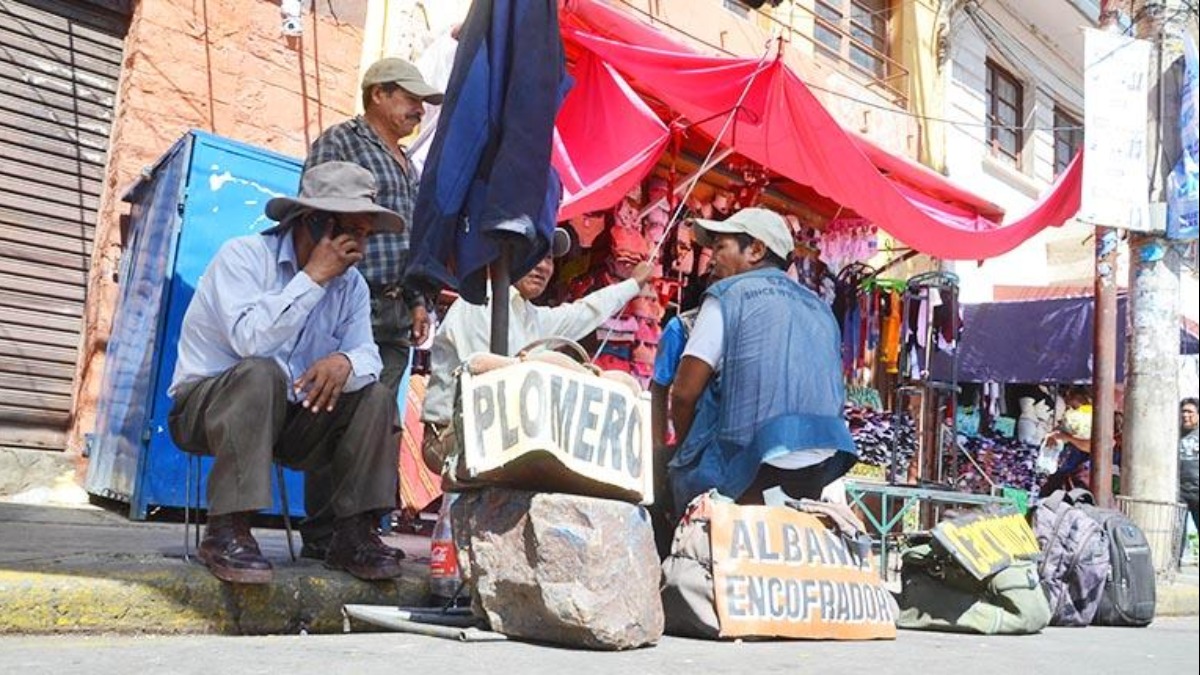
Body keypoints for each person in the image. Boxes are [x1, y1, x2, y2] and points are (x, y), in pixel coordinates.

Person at [168, 161, 404, 584]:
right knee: (260, 372)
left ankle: (351, 533)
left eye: (366, 236)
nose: (361, 251)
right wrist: (313, 277)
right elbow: (251, 341)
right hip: (205, 412)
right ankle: (227, 530)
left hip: (292, 419)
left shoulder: (351, 285)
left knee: (376, 395)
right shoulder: (242, 257)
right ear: (314, 222)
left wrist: (345, 362)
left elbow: (368, 354)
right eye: (354, 234)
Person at [301, 57, 443, 559]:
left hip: (395, 309)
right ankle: (322, 532)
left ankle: (361, 528)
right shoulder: (342, 141)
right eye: (410, 98)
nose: (418, 110)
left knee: (379, 417)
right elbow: (314, 208)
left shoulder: (407, 165)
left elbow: (417, 240)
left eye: (423, 103)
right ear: (378, 94)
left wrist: (420, 299)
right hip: (345, 299)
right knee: (335, 407)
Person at [667, 207, 857, 510]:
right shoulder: (820, 309)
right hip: (821, 462)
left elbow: (683, 395)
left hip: (751, 464)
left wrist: (684, 452)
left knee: (671, 479)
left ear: (755, 249)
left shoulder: (727, 295)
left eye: (720, 247)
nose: (712, 258)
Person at [421, 230, 655, 473]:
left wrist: (632, 284)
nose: (543, 266)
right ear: (508, 256)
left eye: (549, 258)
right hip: (451, 438)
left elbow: (583, 312)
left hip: (499, 436)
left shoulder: (531, 315)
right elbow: (481, 384)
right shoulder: (478, 303)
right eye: (534, 255)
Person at [1180, 397, 1199, 539]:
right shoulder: (1174, 433)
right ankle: (1176, 561)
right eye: (1183, 412)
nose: (1185, 415)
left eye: (1190, 412)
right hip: (1180, 493)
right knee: (1178, 533)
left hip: (1197, 490)